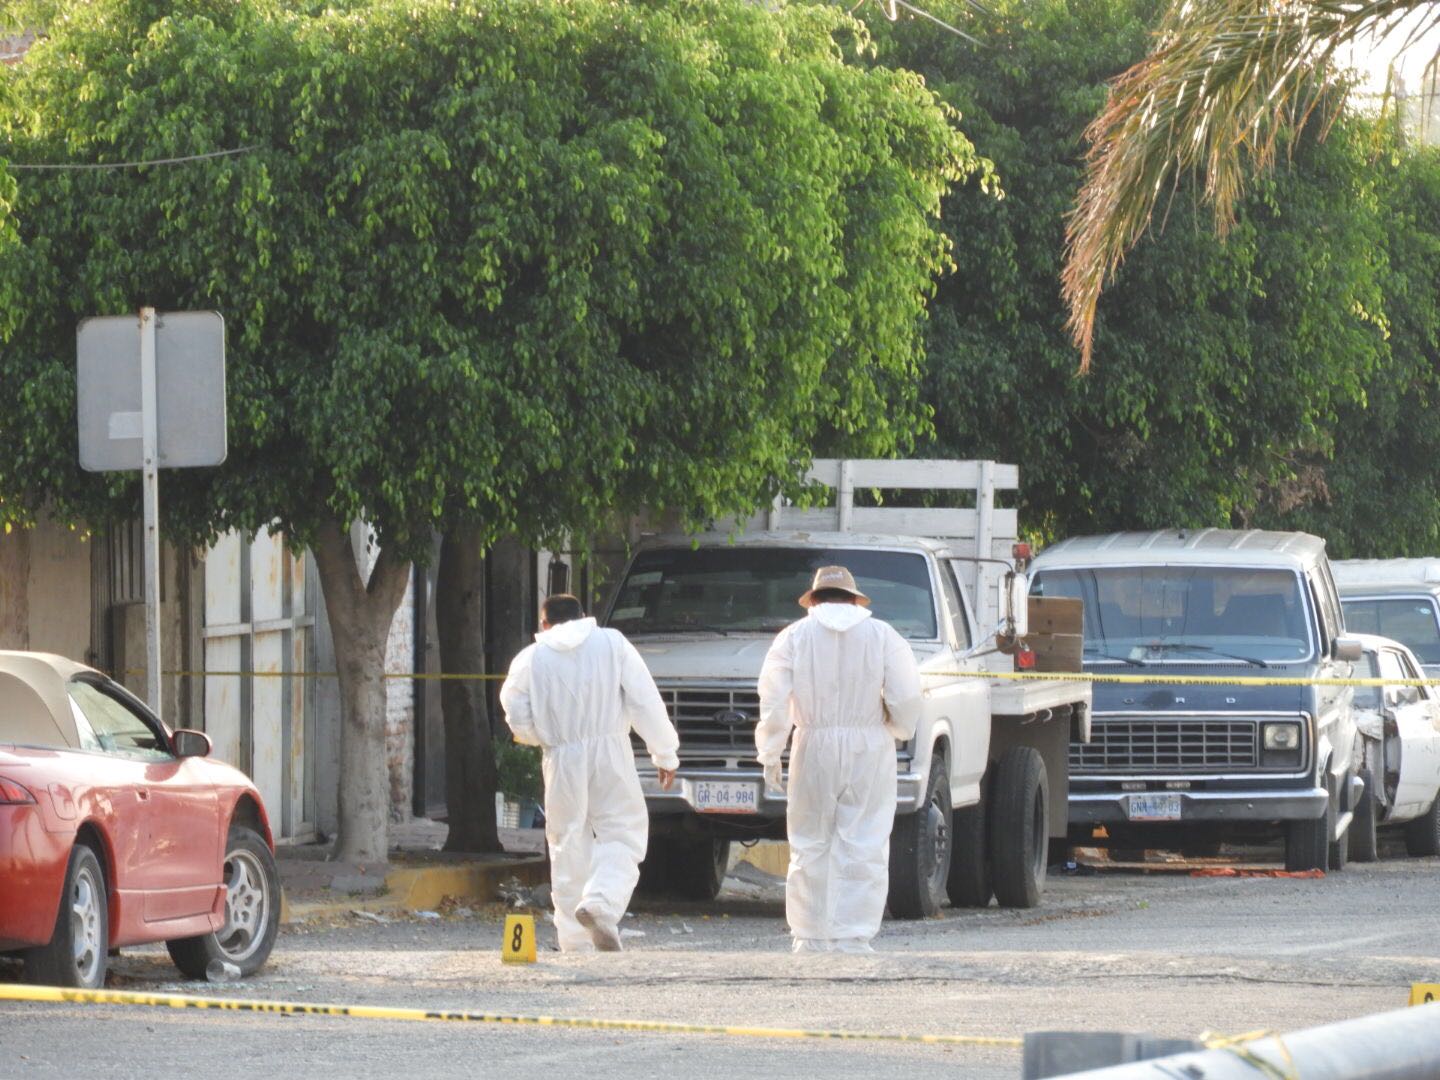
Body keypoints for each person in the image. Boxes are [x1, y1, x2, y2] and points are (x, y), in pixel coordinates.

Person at [756, 566, 922, 954]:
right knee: (864, 841)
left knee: (810, 841)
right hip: (869, 744)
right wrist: (897, 727)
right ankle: (852, 935)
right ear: (853, 598)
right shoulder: (883, 635)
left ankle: (809, 935)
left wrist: (771, 751)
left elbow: (774, 701)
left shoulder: (792, 637)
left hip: (811, 742)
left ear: (813, 600)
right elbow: (907, 695)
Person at [499, 594, 679, 952]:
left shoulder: (531, 658)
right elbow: (644, 700)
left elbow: (515, 712)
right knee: (623, 833)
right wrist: (665, 754)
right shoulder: (612, 643)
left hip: (561, 758)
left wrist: (545, 739)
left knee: (567, 845)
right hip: (610, 751)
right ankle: (601, 902)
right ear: (583, 616)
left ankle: (576, 944)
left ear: (544, 625)